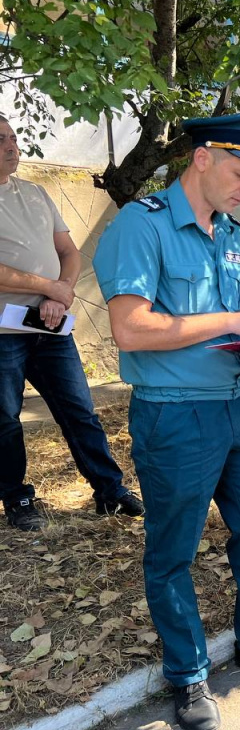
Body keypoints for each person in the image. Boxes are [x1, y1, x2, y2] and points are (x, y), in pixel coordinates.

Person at [93, 109, 240, 730]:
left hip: (239, 406)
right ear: (201, 158)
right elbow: (130, 328)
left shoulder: (232, 235)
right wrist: (234, 322)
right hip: (174, 416)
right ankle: (188, 673)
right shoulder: (141, 224)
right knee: (173, 551)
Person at [0, 114, 143, 531]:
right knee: (5, 421)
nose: (11, 146)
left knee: (80, 410)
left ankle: (109, 490)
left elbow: (69, 251)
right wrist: (51, 287)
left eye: (13, 137)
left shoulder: (35, 193)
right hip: (4, 334)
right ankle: (17, 498)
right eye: (1, 139)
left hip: (50, 326)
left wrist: (59, 292)